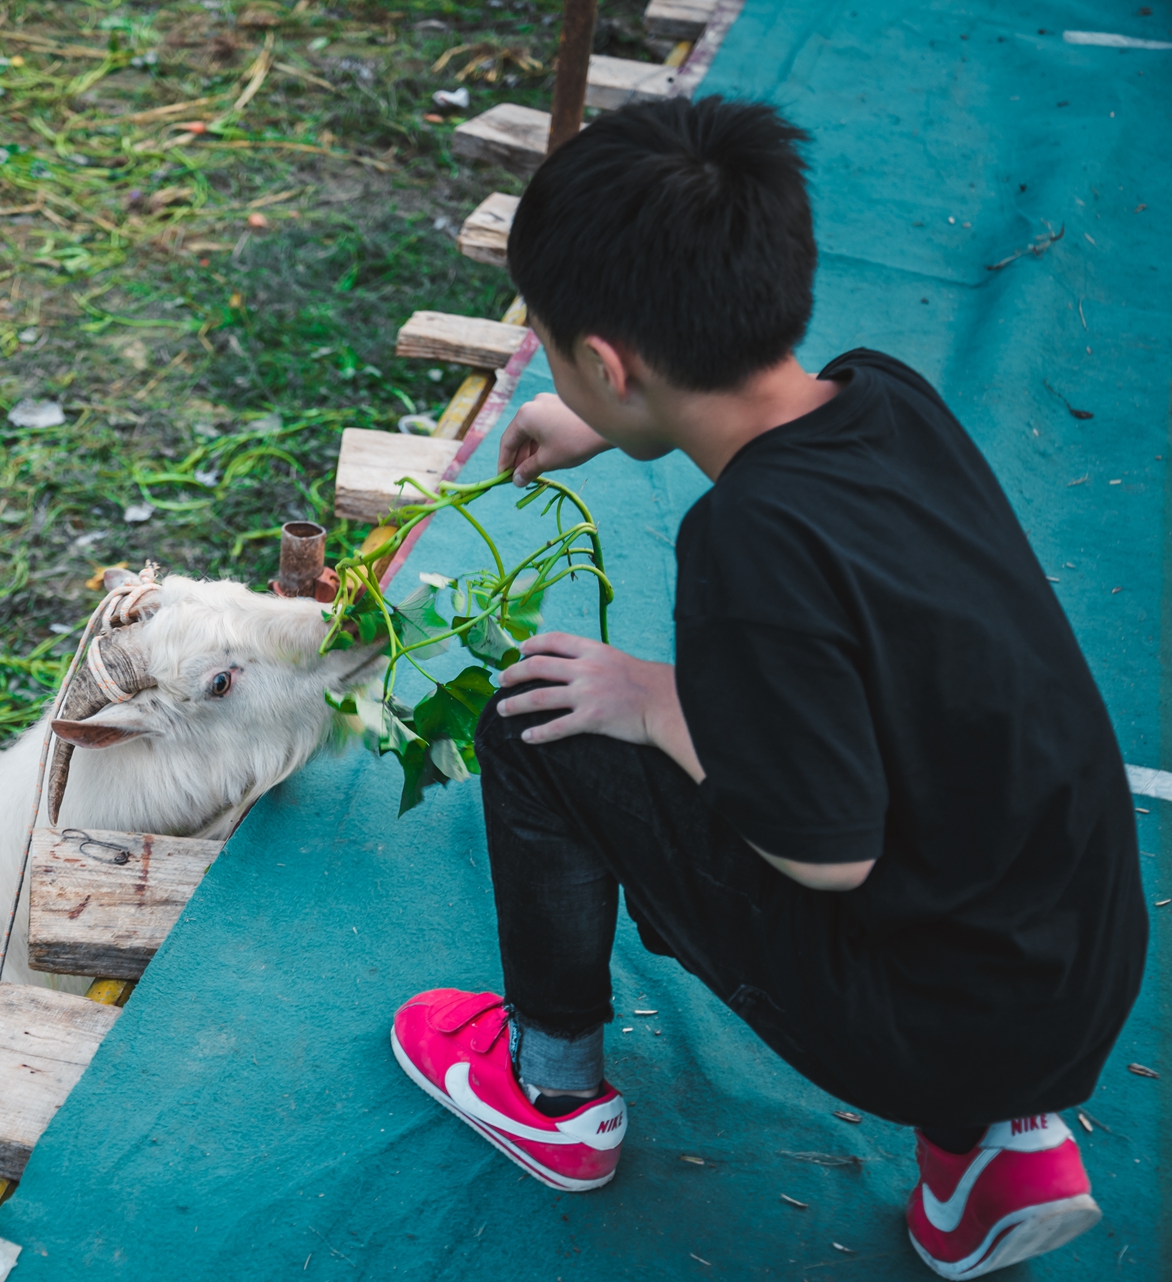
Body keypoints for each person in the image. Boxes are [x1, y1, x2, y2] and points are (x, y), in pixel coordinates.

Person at [387, 96, 1146, 1280]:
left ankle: (553, 1092)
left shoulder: (746, 543)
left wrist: (652, 701)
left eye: (554, 351)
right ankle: (997, 1151)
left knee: (538, 726)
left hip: (925, 1023)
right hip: (1076, 967)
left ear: (607, 362)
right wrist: (606, 422)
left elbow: (823, 850)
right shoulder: (885, 395)